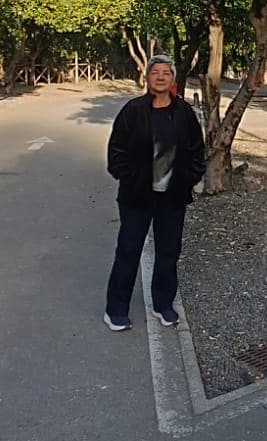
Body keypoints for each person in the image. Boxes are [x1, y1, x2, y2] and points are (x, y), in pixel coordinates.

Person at [103, 55, 206, 331]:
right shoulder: (133, 111)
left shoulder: (183, 113)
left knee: (168, 252)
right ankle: (116, 309)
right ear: (147, 78)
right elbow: (116, 152)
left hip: (172, 197)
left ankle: (163, 304)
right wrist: (132, 179)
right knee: (128, 250)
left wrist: (189, 179)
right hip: (137, 197)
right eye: (155, 73)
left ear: (173, 79)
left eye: (166, 73)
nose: (160, 77)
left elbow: (197, 150)